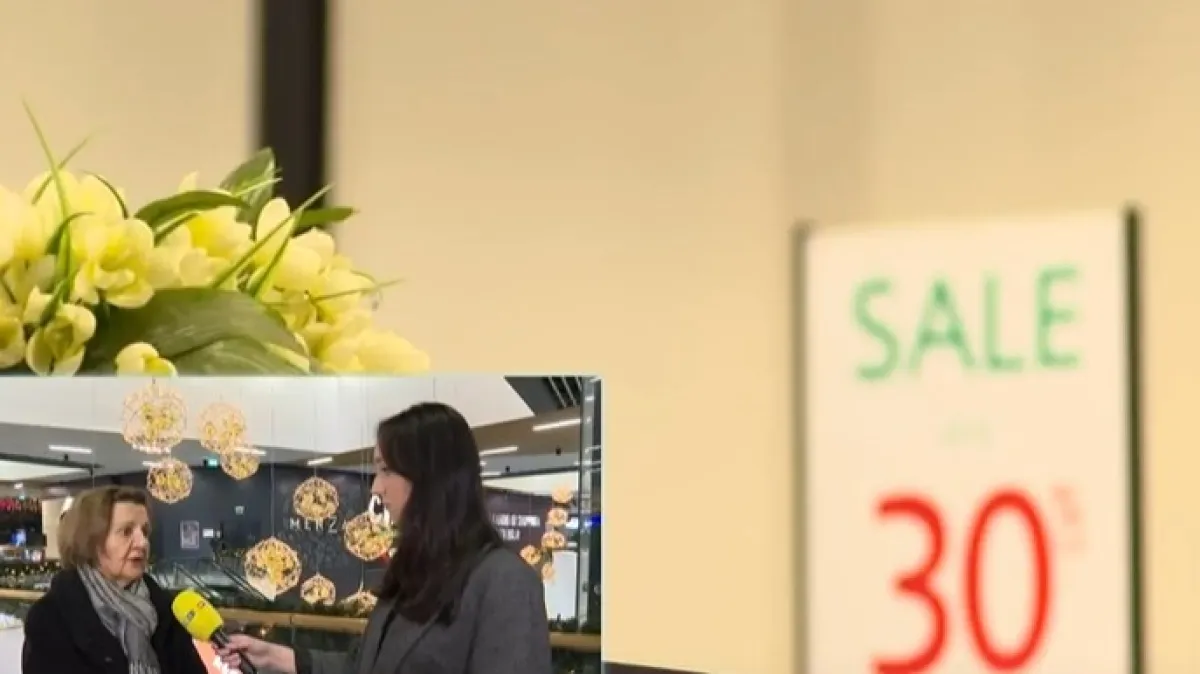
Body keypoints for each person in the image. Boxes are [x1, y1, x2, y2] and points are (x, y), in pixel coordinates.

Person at [219, 402, 553, 674]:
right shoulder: (412, 571)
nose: (376, 487)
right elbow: (366, 667)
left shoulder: (504, 582)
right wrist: (275, 657)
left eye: (387, 470)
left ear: (430, 477)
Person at [22, 485, 208, 674]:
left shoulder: (166, 611)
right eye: (126, 531)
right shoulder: (51, 618)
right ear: (90, 542)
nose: (142, 542)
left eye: (145, 531)